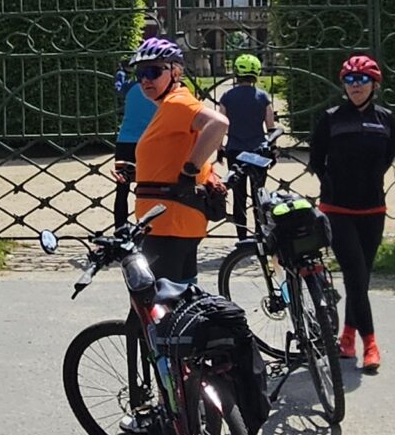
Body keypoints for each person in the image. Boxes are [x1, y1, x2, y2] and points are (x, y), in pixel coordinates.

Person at [310, 53, 395, 373]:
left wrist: (370, 181)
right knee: (355, 274)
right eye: (349, 80)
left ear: (374, 85)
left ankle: (347, 335)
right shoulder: (331, 118)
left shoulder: (386, 119)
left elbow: (389, 156)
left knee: (360, 279)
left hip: (373, 208)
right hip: (338, 209)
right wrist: (331, 184)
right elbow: (316, 159)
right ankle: (370, 343)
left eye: (362, 80)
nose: (355, 86)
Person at [128, 36, 226, 283]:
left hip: (168, 223)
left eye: (153, 71)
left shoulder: (177, 102)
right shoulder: (170, 105)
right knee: (181, 296)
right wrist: (139, 172)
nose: (145, 80)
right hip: (172, 221)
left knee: (156, 300)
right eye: (140, 74)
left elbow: (219, 123)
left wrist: (189, 171)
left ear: (176, 72)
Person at [110, 32, 164, 231]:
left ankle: (120, 229)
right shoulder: (158, 92)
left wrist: (120, 72)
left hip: (125, 141)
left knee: (122, 189)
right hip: (149, 142)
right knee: (150, 188)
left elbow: (118, 88)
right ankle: (150, 228)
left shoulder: (131, 88)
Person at [218, 53, 275, 236]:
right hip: (258, 150)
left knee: (239, 196)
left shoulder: (227, 97)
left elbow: (220, 125)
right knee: (259, 195)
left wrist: (219, 148)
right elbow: (270, 126)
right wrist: (273, 149)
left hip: (235, 150)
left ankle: (242, 236)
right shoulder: (263, 97)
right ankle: (260, 234)